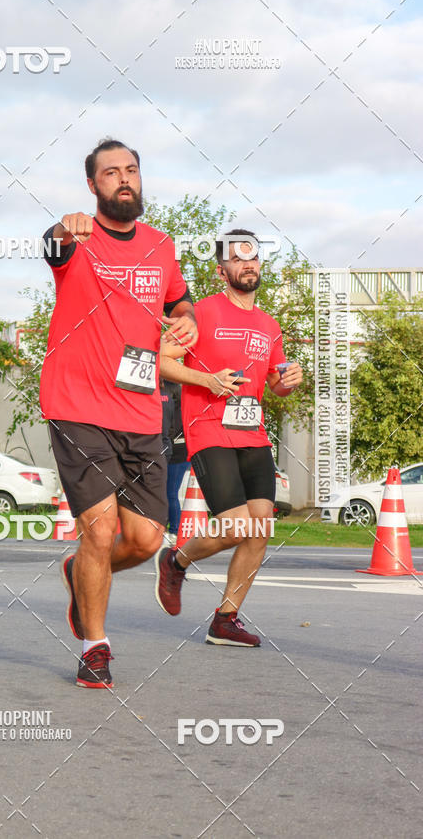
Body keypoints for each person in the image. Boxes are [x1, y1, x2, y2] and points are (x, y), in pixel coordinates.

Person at [40, 138, 198, 687]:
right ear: (92, 185)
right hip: (77, 404)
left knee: (148, 539)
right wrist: (65, 228)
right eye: (110, 172)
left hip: (139, 409)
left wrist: (187, 321)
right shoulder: (77, 238)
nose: (123, 178)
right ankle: (94, 647)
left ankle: (77, 572)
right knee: (101, 532)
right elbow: (53, 244)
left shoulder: (161, 245)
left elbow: (179, 299)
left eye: (131, 169)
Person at [155, 229, 303, 646]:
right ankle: (176, 560)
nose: (248, 265)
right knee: (236, 526)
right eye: (238, 259)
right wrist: (207, 379)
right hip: (208, 430)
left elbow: (276, 384)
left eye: (253, 258)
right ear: (222, 270)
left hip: (252, 435)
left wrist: (290, 379)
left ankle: (225, 620)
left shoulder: (269, 325)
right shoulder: (201, 313)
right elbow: (161, 362)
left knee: (259, 530)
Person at [162, 379, 189, 543]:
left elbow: (172, 428)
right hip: (172, 448)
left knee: (170, 492)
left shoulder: (172, 397)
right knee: (167, 493)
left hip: (178, 450)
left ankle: (174, 531)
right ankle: (167, 529)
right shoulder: (174, 395)